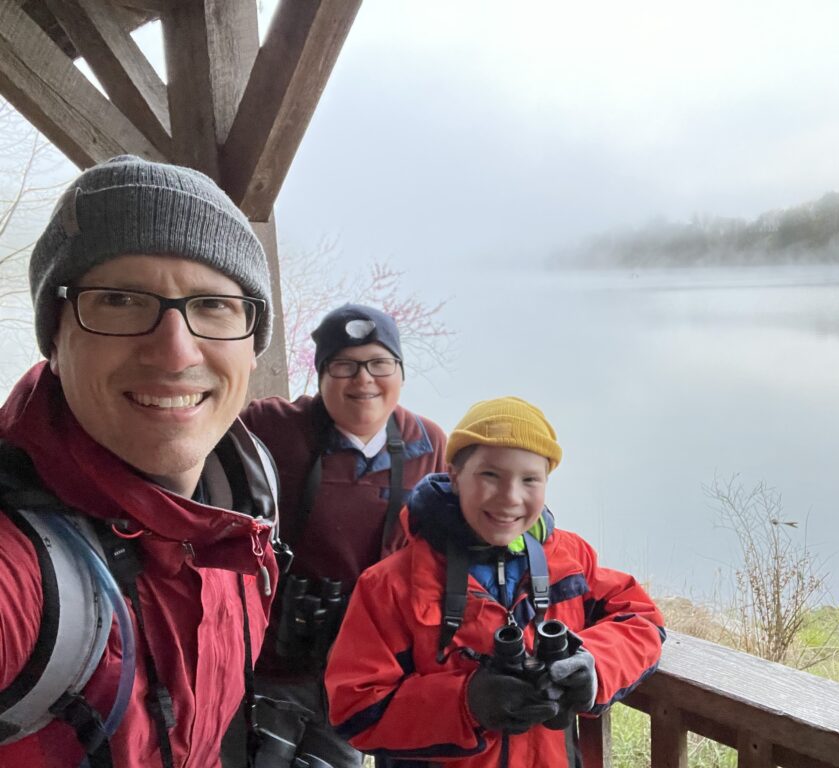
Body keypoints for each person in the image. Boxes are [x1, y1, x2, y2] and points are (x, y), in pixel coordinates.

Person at [0, 155, 280, 767]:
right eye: (122, 299)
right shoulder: (17, 571)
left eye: (214, 305)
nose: (175, 352)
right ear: (55, 338)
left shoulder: (243, 502)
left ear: (252, 346)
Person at [323, 396, 665, 767]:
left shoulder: (570, 559)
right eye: (490, 475)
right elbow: (355, 708)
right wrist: (466, 702)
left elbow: (641, 619)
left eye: (529, 479)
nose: (509, 498)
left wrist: (594, 668)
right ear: (454, 475)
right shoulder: (390, 585)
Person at [242, 304, 447, 766]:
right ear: (320, 375)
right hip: (278, 658)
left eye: (379, 364)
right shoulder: (272, 426)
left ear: (400, 371)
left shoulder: (427, 443)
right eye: (344, 366)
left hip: (366, 662)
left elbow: (471, 517)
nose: (364, 380)